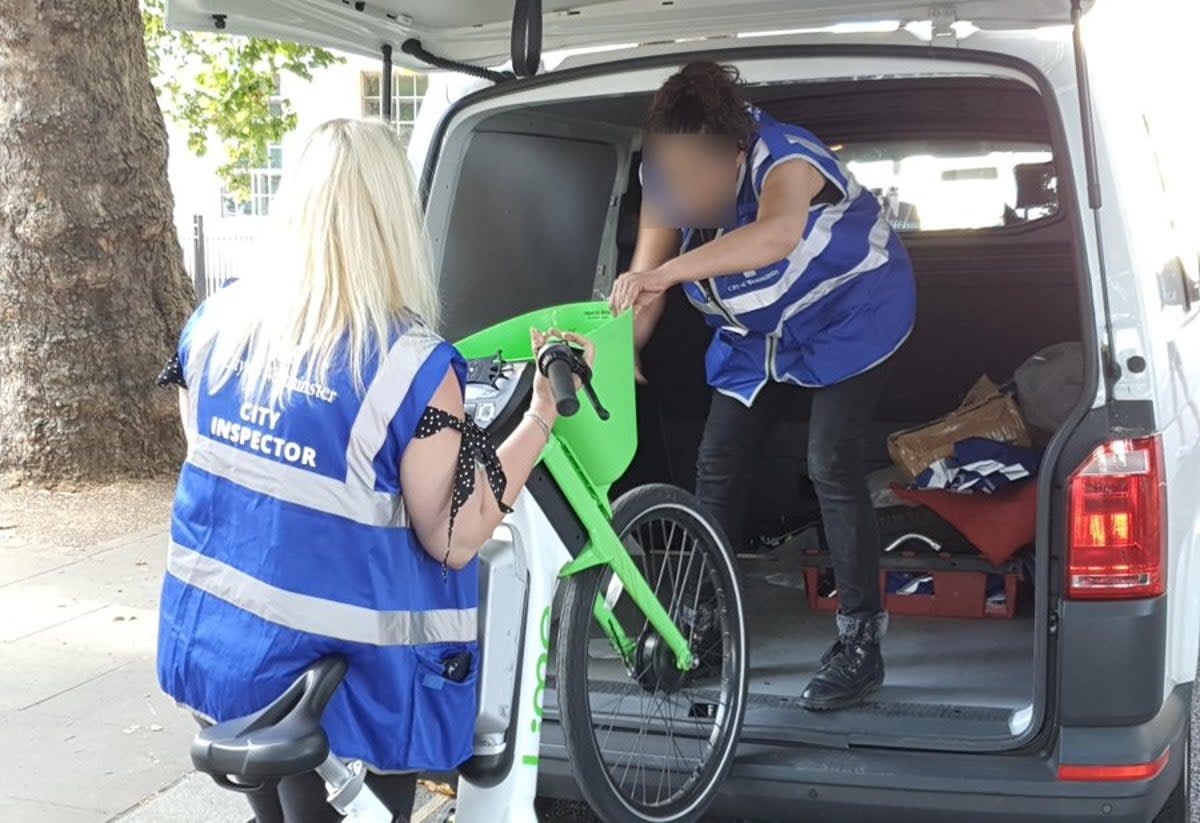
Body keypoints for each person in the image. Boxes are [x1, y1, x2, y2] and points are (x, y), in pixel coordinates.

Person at [155, 118, 592, 823]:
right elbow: (454, 533)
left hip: (224, 656)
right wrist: (541, 415)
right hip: (348, 693)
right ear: (394, 218)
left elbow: (233, 476)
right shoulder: (409, 364)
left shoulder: (215, 327)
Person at [610, 62, 916, 711]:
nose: (681, 192)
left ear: (736, 154)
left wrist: (668, 276)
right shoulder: (667, 174)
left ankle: (861, 643)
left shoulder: (787, 159)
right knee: (716, 464)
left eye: (698, 178)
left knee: (828, 460)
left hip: (850, 314)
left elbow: (775, 236)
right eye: (671, 176)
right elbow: (647, 273)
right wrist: (628, 343)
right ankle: (702, 625)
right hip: (759, 331)